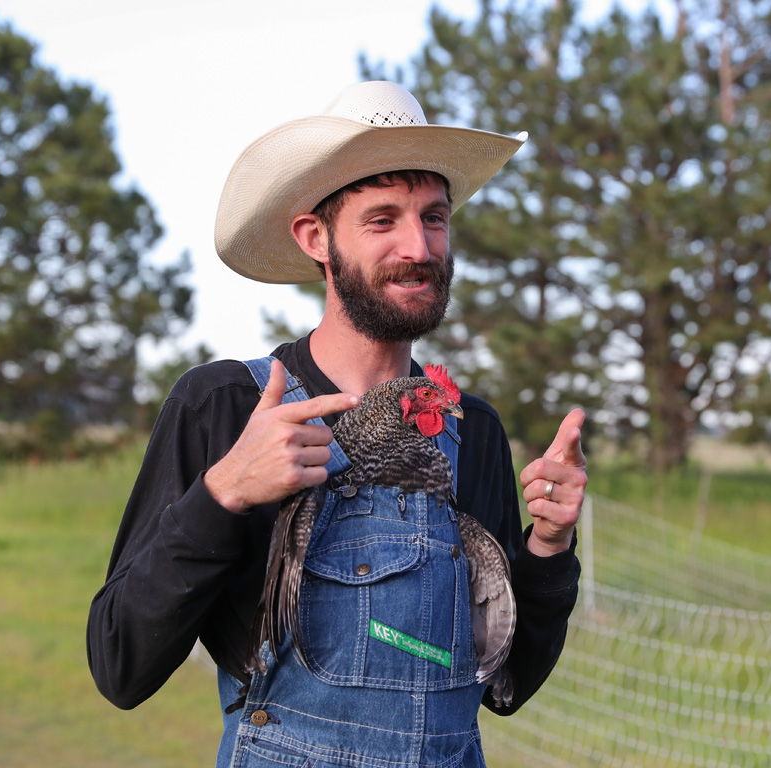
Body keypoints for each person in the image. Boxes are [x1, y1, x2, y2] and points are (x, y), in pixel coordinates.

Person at [86, 81, 586, 768]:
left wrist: (550, 550)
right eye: (382, 220)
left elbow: (504, 684)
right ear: (315, 238)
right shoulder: (226, 405)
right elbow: (120, 664)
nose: (418, 246)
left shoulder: (471, 430)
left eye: (434, 217)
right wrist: (224, 491)